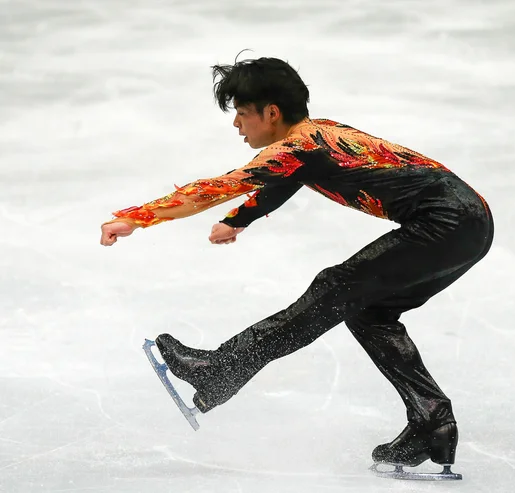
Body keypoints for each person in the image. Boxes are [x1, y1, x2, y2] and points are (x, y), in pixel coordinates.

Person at [100, 55, 494, 474]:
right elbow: (285, 182)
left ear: (271, 113)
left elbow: (217, 188)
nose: (237, 124)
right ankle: (432, 421)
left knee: (336, 286)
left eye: (241, 113)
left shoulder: (300, 146)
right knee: (369, 311)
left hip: (448, 222)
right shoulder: (317, 136)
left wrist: (137, 217)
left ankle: (220, 369)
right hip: (470, 222)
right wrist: (239, 220)